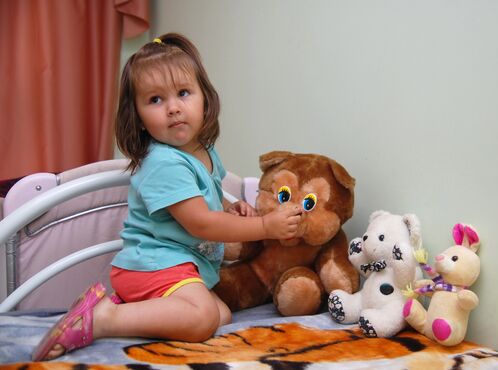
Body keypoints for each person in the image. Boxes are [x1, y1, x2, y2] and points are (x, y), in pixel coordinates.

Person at [32, 33, 302, 361]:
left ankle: (128, 308)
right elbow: (201, 223)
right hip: (152, 266)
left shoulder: (204, 151)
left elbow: (208, 198)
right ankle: (104, 318)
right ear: (140, 119)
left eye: (184, 93)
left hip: (178, 268)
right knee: (201, 318)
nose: (173, 108)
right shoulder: (163, 163)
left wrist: (233, 207)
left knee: (221, 315)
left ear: (205, 99)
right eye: (156, 100)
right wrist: (265, 226)